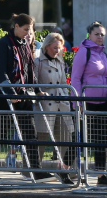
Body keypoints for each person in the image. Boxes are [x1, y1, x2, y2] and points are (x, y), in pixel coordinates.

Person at [0, 13, 47, 180]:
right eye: (25, 30)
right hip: (5, 97)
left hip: (23, 96)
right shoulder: (3, 44)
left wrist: (37, 90)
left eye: (29, 30)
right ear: (16, 27)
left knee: (30, 133)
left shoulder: (25, 44)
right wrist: (10, 94)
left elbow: (29, 71)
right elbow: (1, 74)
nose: (27, 34)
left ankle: (36, 170)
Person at [71, 21, 107, 187]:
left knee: (102, 140)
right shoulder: (85, 52)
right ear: (89, 35)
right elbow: (75, 78)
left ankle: (101, 176)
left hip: (103, 103)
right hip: (87, 103)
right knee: (81, 138)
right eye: (97, 34)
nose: (100, 37)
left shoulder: (104, 54)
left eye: (102, 34)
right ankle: (66, 169)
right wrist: (77, 101)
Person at [34, 32, 75, 184]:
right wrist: (40, 94)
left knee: (65, 138)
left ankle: (65, 171)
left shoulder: (60, 61)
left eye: (60, 47)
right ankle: (33, 169)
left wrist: (66, 98)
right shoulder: (38, 62)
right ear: (47, 46)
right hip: (45, 105)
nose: (57, 50)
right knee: (41, 138)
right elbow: (34, 82)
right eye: (55, 47)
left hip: (60, 104)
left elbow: (64, 82)